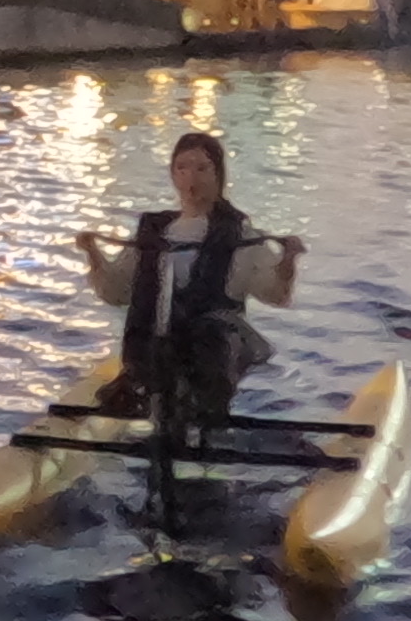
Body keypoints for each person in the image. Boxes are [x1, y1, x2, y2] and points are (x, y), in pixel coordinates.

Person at [77, 128, 299, 429]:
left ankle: (197, 419)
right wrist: (92, 252)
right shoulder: (155, 231)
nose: (190, 178)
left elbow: (275, 293)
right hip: (153, 349)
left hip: (210, 359)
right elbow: (116, 291)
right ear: (173, 174)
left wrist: (288, 261)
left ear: (218, 175)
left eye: (201, 169)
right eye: (182, 168)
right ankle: (150, 397)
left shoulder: (240, 235)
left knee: (208, 336)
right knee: (157, 347)